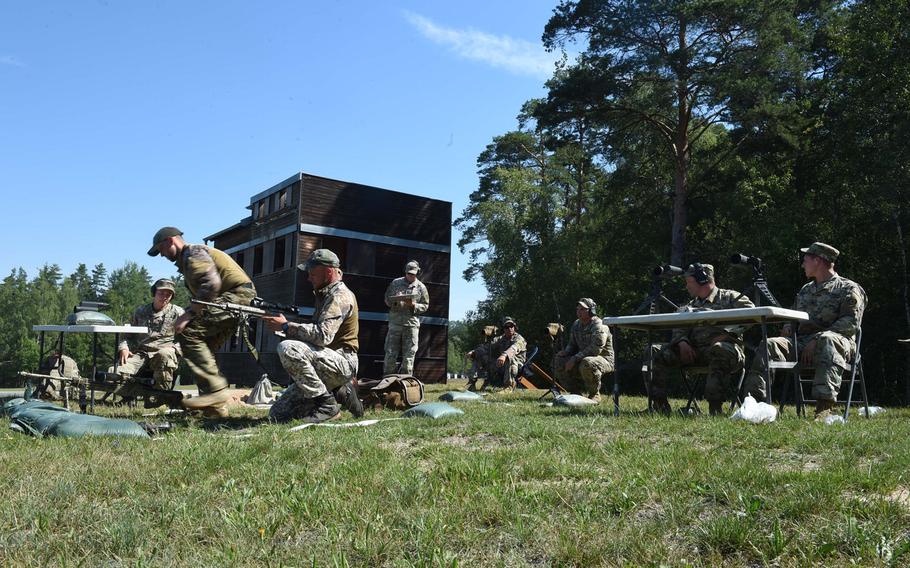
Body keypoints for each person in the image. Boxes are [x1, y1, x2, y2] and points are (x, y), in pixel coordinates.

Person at [742, 242, 866, 420]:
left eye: (805, 260)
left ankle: (823, 409)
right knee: (770, 344)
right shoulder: (806, 290)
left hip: (837, 344)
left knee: (828, 341)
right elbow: (794, 316)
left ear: (818, 260)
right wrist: (788, 326)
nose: (802, 264)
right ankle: (753, 404)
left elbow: (851, 323)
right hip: (802, 343)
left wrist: (817, 338)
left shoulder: (848, 289)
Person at [148, 226, 256, 417]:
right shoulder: (188, 258)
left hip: (236, 296)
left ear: (170, 241)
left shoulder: (193, 253)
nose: (162, 255)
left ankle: (215, 393)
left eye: (161, 250)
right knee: (202, 348)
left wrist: (188, 315)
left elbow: (211, 285)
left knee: (189, 332)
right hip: (232, 298)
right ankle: (214, 409)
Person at [261, 249, 363, 423]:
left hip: (343, 361)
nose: (309, 278)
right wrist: (285, 327)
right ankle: (340, 391)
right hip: (326, 362)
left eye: (312, 274)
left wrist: (287, 326)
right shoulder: (325, 294)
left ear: (328, 271)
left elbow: (323, 336)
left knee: (288, 348)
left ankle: (327, 405)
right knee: (278, 414)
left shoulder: (339, 296)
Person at [645, 263, 755, 416]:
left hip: (727, 352)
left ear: (703, 280)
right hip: (695, 353)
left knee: (719, 348)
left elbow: (754, 314)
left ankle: (715, 409)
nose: (687, 286)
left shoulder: (730, 298)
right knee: (654, 351)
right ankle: (659, 405)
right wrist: (682, 341)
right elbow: (678, 327)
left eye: (689, 282)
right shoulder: (691, 305)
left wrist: (729, 333)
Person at [110, 278, 184, 400]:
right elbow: (126, 335)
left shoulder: (178, 313)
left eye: (168, 294)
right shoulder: (140, 312)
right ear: (154, 293)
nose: (165, 297)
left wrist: (175, 347)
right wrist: (123, 348)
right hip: (141, 354)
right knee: (114, 372)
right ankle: (129, 396)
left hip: (163, 353)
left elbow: (189, 338)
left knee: (165, 355)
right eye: (161, 293)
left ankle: (161, 398)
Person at [554, 298, 614, 402]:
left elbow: (595, 350)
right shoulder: (576, 324)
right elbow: (572, 344)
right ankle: (575, 393)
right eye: (577, 309)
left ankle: (594, 394)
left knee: (587, 363)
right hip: (582, 358)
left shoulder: (600, 325)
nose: (578, 312)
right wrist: (566, 352)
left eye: (582, 309)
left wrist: (574, 358)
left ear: (591, 311)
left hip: (604, 360)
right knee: (559, 360)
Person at [383, 260, 429, 375]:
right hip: (395, 324)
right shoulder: (395, 283)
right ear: (405, 272)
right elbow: (387, 300)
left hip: (411, 325)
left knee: (409, 356)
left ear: (417, 273)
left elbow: (425, 305)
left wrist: (414, 305)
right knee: (390, 354)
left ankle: (406, 383)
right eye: (409, 273)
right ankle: (387, 382)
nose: (411, 276)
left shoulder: (421, 287)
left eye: (413, 274)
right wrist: (395, 300)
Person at [465, 317, 527, 391]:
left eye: (511, 326)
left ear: (514, 327)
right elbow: (486, 347)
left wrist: (504, 355)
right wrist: (474, 352)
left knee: (509, 357)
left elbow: (514, 348)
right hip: (501, 364)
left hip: (516, 364)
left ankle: (509, 387)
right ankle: (471, 384)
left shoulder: (519, 339)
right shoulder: (500, 339)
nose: (509, 328)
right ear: (503, 329)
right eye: (506, 327)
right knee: (479, 355)